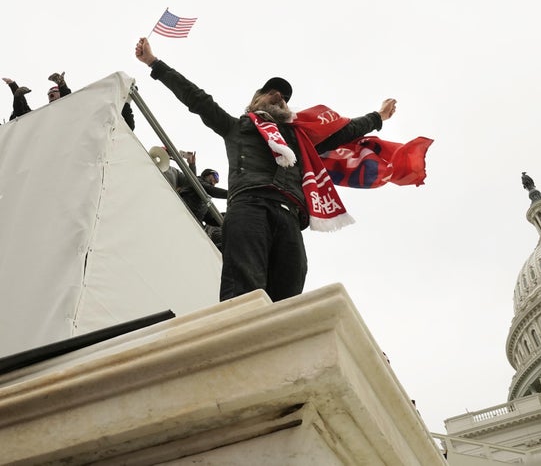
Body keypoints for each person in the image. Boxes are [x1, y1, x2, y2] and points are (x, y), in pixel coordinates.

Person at [135, 37, 397, 302]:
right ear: (254, 101)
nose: (279, 96)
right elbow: (196, 98)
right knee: (244, 289)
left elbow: (345, 131)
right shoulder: (236, 127)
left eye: (283, 97)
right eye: (270, 92)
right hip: (250, 206)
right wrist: (154, 63)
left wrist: (378, 117)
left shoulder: (300, 140)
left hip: (290, 216)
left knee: (289, 293)